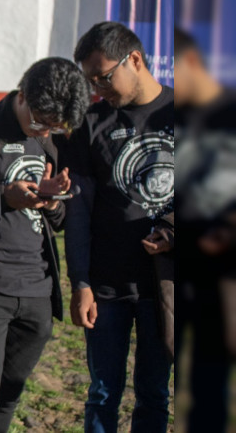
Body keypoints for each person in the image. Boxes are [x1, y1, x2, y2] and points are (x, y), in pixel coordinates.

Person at [63, 21, 174, 432]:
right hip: (106, 288)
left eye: (103, 77)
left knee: (155, 393)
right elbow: (78, 211)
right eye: (90, 81)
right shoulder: (93, 124)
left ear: (136, 59)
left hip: (163, 286)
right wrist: (80, 282)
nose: (98, 88)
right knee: (103, 392)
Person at [0, 57, 90, 433]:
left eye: (54, 128)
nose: (44, 132)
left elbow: (55, 222)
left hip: (38, 288)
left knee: (10, 394)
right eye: (40, 122)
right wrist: (5, 197)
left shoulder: (49, 141)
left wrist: (53, 201)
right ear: (22, 95)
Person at [174, 27, 236, 433]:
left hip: (222, 272)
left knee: (211, 382)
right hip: (172, 266)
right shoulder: (171, 117)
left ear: (192, 62)